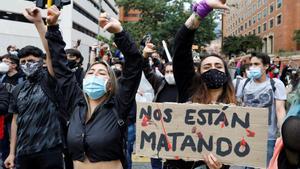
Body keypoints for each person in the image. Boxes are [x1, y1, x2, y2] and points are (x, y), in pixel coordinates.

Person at [43, 7, 142, 169]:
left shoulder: (118, 103)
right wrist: (53, 28)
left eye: (102, 73)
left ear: (110, 83)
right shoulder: (75, 102)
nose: (95, 75)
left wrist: (119, 33)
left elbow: (134, 64)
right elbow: (61, 68)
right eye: (91, 72)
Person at [165, 0, 233, 168]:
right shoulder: (190, 90)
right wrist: (202, 11)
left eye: (218, 66)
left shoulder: (235, 111)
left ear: (226, 73)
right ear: (199, 74)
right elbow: (181, 46)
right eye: (207, 67)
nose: (213, 69)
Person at [4, 7, 68, 169]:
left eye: (31, 60)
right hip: (24, 152)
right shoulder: (18, 89)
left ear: (42, 62)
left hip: (50, 150)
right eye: (23, 62)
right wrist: (12, 152)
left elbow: (52, 52)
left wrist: (39, 23)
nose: (27, 64)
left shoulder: (49, 80)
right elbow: (15, 122)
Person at [236, 52, 287, 167]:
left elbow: (280, 110)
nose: (252, 67)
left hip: (268, 138)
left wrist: (283, 134)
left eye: (256, 64)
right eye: (251, 64)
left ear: (266, 66)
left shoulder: (276, 84)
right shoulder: (244, 84)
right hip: (246, 136)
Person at [142, 44, 178, 169]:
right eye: (167, 71)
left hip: (177, 132)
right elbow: (147, 71)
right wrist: (145, 56)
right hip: (159, 129)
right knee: (156, 158)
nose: (169, 74)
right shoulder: (160, 83)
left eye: (172, 71)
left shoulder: (186, 88)